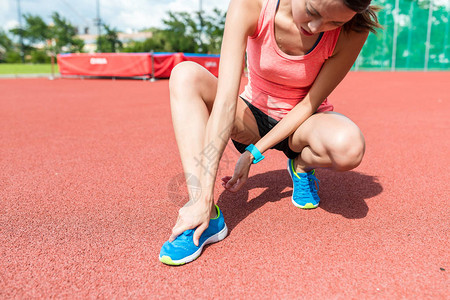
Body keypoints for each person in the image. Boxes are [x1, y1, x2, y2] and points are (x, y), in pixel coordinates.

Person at [159, 0, 380, 265]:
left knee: (349, 146)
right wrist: (204, 196)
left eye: (334, 22)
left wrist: (254, 153)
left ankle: (300, 166)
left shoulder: (354, 29)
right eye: (312, 12)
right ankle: (203, 211)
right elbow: (227, 100)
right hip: (250, 115)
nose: (315, 27)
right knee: (185, 75)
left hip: (303, 122)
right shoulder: (250, 5)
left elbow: (309, 103)